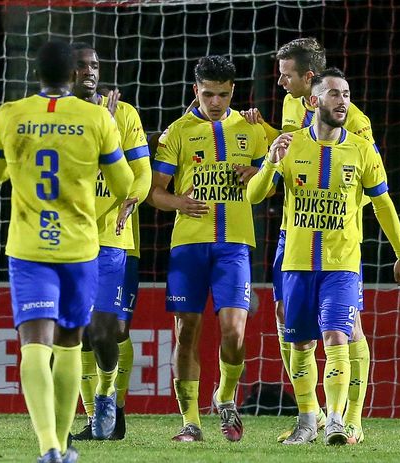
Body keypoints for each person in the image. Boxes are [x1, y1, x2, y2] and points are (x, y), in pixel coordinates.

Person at [0, 40, 133, 463]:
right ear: (72, 76)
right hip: (78, 248)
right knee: (69, 344)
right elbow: (123, 187)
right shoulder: (96, 117)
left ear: (36, 75)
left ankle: (48, 445)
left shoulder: (9, 115)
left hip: (29, 247)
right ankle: (64, 447)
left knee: (34, 346)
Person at [247, 68, 400, 446]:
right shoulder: (289, 146)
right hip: (296, 264)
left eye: (347, 94)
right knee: (301, 344)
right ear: (314, 101)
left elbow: (383, 204)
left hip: (341, 265)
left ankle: (338, 419)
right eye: (335, 94)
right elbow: (255, 196)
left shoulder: (361, 148)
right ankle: (308, 420)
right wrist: (271, 161)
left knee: (338, 335)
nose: (342, 101)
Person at [241, 37, 375, 445]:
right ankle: (309, 414)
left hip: (337, 240)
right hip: (293, 234)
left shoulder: (354, 119)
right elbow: (289, 150)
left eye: (286, 75)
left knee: (347, 329)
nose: (280, 81)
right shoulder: (289, 107)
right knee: (286, 318)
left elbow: (370, 183)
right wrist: (262, 135)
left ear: (309, 77)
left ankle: (350, 418)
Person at [147, 55, 267, 443]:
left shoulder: (252, 130)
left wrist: (257, 173)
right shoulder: (177, 132)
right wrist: (177, 202)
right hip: (189, 247)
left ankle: (224, 396)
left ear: (234, 92)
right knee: (187, 333)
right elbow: (154, 192)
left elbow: (273, 181)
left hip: (233, 246)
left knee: (234, 332)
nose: (216, 102)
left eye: (224, 94)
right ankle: (190, 423)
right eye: (209, 94)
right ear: (195, 90)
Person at [68, 43, 151, 441]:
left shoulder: (126, 114)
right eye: (81, 65)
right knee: (82, 332)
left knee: (110, 330)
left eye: (95, 65)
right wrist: (98, 126)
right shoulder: (59, 119)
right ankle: (101, 419)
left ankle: (110, 404)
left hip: (113, 240)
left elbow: (142, 172)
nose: (90, 71)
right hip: (69, 240)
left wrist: (131, 201)